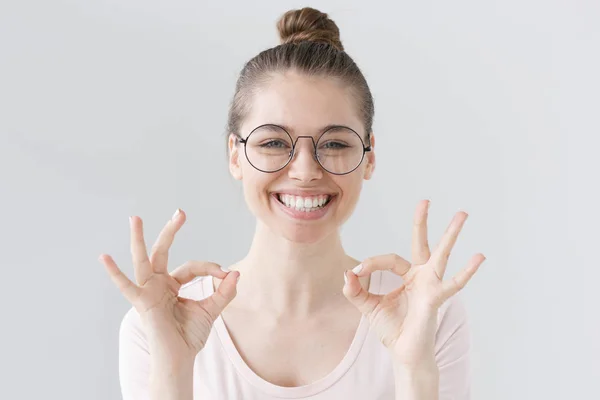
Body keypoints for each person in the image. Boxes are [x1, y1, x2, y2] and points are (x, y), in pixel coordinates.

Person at [98, 7, 485, 400]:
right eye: (273, 143)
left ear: (368, 156)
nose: (304, 171)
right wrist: (173, 367)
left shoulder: (424, 315)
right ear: (235, 156)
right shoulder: (161, 322)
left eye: (334, 143)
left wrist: (413, 367)